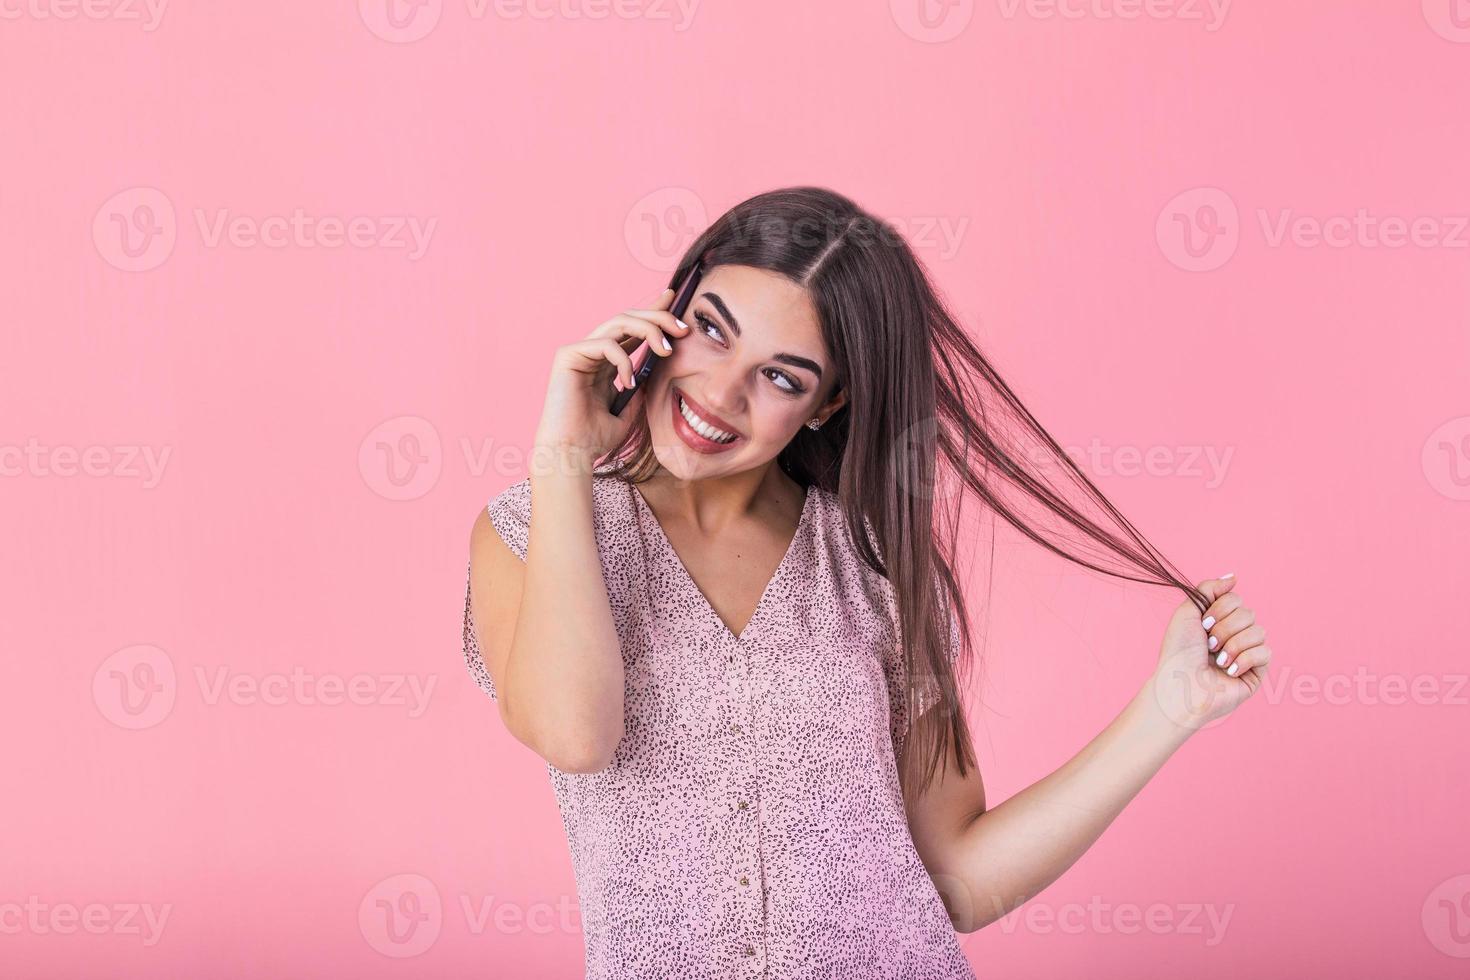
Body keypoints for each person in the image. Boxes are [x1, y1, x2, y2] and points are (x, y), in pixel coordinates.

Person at [462, 186, 1273, 978]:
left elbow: (959, 876)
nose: (719, 393)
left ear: (828, 403)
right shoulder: (534, 533)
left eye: (781, 377)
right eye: (711, 331)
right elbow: (576, 736)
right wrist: (562, 456)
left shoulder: (872, 565)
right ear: (667, 314)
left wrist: (1171, 709)